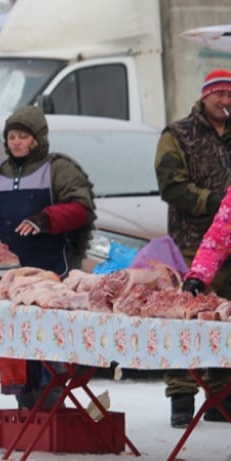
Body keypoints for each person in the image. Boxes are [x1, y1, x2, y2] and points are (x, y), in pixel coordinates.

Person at [0, 105, 96, 410]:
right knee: (14, 344)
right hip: (6, 278)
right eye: (12, 137)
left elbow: (80, 207)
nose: (17, 142)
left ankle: (52, 405)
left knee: (49, 343)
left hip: (50, 277)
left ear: (38, 139)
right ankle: (25, 404)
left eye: (23, 136)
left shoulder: (58, 169)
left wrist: (44, 219)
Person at [154, 68, 231, 428]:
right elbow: (171, 185)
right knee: (185, 319)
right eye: (219, 94)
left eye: (230, 95)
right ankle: (182, 396)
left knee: (223, 322)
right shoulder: (178, 133)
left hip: (227, 246)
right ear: (204, 96)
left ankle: (220, 396)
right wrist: (215, 202)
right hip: (190, 243)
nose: (226, 101)